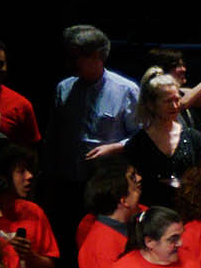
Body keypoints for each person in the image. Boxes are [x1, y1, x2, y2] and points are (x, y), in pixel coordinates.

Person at [51, 26, 145, 195]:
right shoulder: (63, 88)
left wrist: (115, 148)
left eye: (75, 58)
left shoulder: (126, 90)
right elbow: (55, 136)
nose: (68, 63)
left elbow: (141, 137)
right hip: (67, 182)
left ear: (96, 56)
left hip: (107, 185)